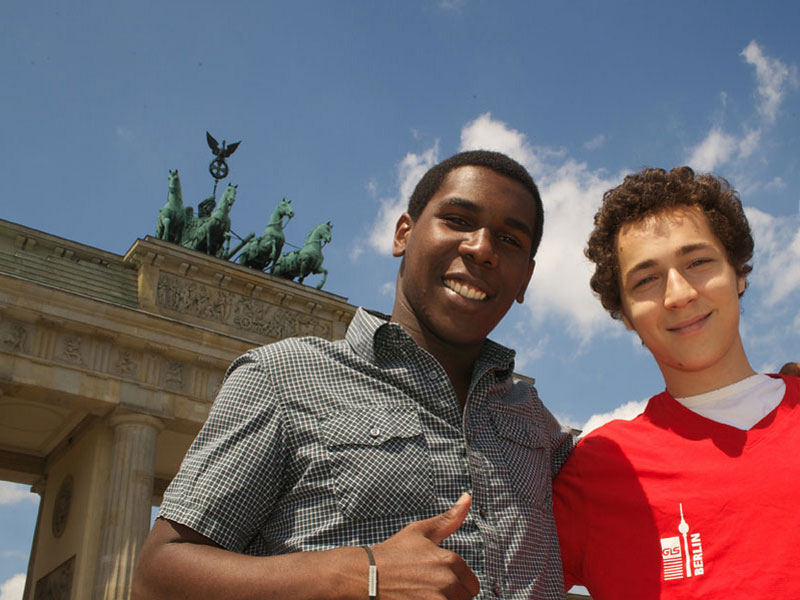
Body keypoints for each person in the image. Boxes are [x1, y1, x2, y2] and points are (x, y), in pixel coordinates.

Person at [132, 150, 574, 600]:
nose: (482, 248)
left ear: (525, 280)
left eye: (510, 240)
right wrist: (359, 574)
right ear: (403, 233)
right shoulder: (284, 376)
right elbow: (157, 576)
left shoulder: (541, 427)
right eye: (458, 220)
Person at [553, 166, 800, 599]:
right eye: (646, 279)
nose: (679, 293)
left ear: (738, 272)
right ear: (626, 315)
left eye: (698, 261)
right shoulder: (598, 470)